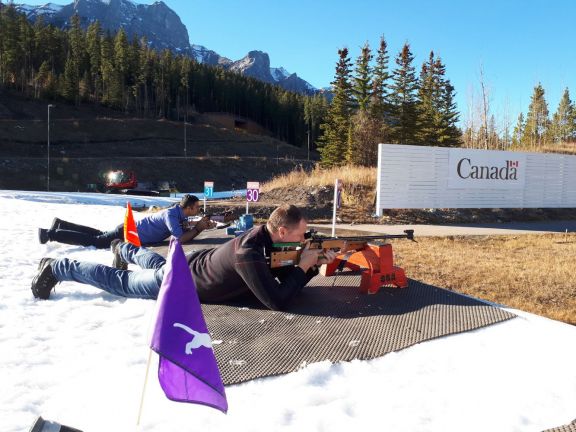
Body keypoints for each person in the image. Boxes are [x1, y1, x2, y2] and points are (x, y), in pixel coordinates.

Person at [31, 204, 337, 311]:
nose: (305, 239)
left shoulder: (264, 238)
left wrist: (312, 264)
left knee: (155, 263)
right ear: (282, 231)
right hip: (179, 281)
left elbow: (282, 278)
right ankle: (58, 267)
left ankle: (123, 249)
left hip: (191, 263)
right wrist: (306, 266)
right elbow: (278, 300)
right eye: (301, 234)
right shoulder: (249, 253)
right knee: (120, 281)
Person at [37, 194, 215, 249]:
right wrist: (198, 228)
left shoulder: (178, 214)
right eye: (197, 207)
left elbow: (182, 229)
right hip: (128, 233)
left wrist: (198, 225)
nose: (198, 210)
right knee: (96, 241)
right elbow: (179, 238)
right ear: (189, 207)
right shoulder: (171, 215)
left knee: (100, 235)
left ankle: (61, 224)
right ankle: (49, 234)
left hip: (129, 230)